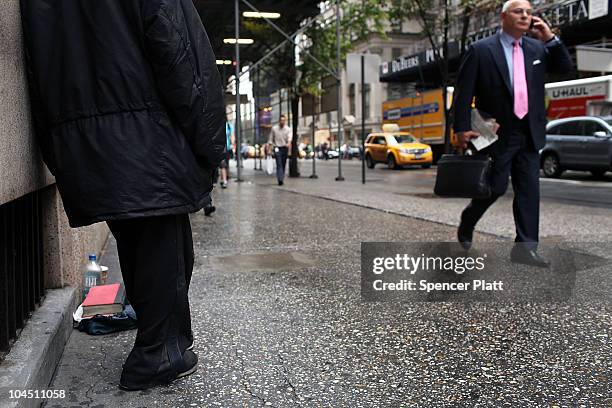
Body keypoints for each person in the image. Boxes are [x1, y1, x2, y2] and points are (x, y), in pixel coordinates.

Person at [20, 0, 226, 390]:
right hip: (147, 135)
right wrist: (211, 143)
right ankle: (157, 355)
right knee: (162, 246)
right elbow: (183, 54)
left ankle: (162, 345)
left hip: (91, 135)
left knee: (142, 242)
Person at [453, 0, 573, 267]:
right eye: (519, 11)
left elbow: (566, 68)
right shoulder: (481, 50)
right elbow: (463, 94)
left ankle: (525, 248)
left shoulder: (537, 48)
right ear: (503, 17)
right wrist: (461, 129)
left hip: (529, 131)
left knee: (529, 190)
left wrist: (551, 38)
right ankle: (468, 219)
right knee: (493, 187)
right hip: (495, 132)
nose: (526, 16)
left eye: (529, 12)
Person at [268, 114, 292, 185]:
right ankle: (280, 179)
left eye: (283, 120)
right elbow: (270, 139)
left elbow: (289, 139)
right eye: (281, 120)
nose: (282, 122)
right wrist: (269, 149)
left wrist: (288, 144)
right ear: (279, 121)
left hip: (284, 148)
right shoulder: (274, 128)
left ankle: (281, 177)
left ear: (285, 121)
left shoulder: (288, 129)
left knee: (283, 163)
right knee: (279, 163)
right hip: (277, 148)